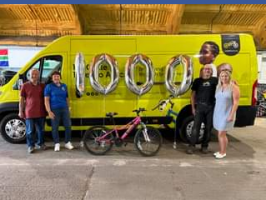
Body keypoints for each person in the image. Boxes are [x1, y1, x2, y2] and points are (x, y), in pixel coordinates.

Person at [187, 64, 218, 154]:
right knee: (195, 128)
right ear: (202, 71)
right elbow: (192, 95)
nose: (207, 70)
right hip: (200, 107)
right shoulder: (197, 81)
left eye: (209, 69)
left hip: (211, 107)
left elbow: (224, 86)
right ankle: (191, 146)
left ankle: (204, 146)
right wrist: (193, 107)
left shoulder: (215, 80)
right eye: (205, 69)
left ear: (211, 72)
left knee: (208, 128)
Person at [213, 69, 240, 159]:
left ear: (229, 77)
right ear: (219, 77)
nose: (224, 78)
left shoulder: (234, 87)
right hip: (218, 113)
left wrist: (231, 115)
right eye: (222, 76)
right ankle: (221, 150)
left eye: (226, 76)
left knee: (222, 133)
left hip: (227, 113)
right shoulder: (219, 87)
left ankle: (223, 152)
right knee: (220, 133)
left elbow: (236, 102)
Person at [44, 71, 74, 152]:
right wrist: (49, 111)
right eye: (54, 77)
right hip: (54, 109)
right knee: (55, 127)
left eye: (58, 76)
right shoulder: (49, 87)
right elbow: (46, 100)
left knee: (68, 126)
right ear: (52, 78)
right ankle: (56, 144)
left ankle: (67, 142)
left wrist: (69, 107)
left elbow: (67, 98)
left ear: (60, 77)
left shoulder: (64, 86)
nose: (56, 78)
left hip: (64, 109)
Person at [19, 69, 47, 154]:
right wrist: (21, 111)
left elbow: (47, 98)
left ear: (38, 75)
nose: (34, 75)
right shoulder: (25, 85)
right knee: (30, 131)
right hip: (29, 112)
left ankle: (40, 143)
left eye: (36, 74)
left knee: (41, 130)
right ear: (29, 75)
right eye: (32, 74)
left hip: (41, 112)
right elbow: (21, 100)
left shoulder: (43, 85)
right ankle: (31, 146)